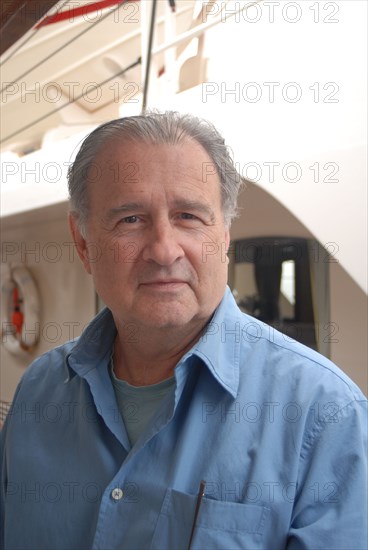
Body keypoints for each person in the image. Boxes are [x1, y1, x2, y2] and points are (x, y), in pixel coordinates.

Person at [0, 111, 366, 550]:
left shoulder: (325, 416)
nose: (164, 249)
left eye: (189, 216)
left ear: (225, 235)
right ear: (82, 242)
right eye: (130, 219)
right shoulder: (39, 391)